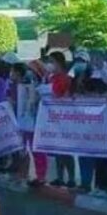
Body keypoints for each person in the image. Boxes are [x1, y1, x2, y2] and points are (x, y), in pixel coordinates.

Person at [41, 52, 76, 188]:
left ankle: (71, 178)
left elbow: (64, 95)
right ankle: (60, 177)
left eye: (51, 61)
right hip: (52, 117)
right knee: (57, 149)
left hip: (64, 117)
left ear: (58, 62)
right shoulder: (50, 77)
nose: (49, 64)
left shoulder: (65, 78)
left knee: (66, 149)